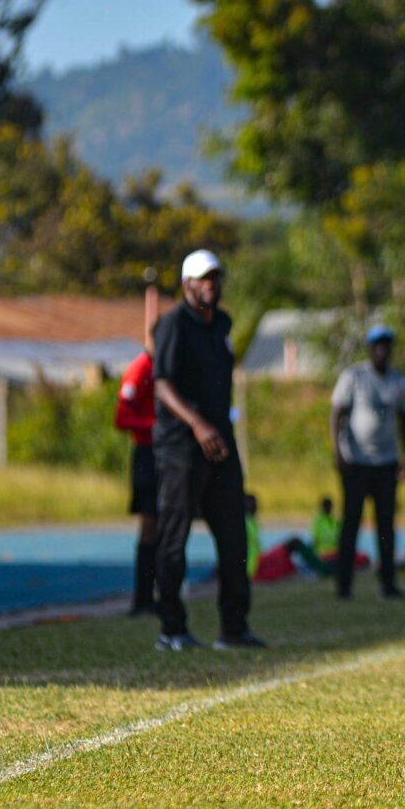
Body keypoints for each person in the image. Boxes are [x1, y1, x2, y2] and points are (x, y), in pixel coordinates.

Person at [151, 249, 267, 651]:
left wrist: (216, 428)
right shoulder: (172, 325)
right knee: (174, 535)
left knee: (234, 535)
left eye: (215, 276)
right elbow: (162, 384)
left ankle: (233, 628)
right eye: (202, 278)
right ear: (186, 284)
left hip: (220, 443)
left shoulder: (222, 324)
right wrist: (197, 424)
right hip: (181, 445)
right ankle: (172, 629)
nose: (210, 284)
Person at [330, 325, 405, 600]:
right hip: (356, 463)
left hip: (386, 463)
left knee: (385, 526)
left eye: (386, 345)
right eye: (377, 345)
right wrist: (338, 451)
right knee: (351, 523)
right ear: (370, 348)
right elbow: (337, 414)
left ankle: (388, 584)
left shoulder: (399, 381)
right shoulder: (355, 376)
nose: (382, 350)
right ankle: (344, 585)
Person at [114, 339, 158, 615]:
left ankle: (156, 596)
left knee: (165, 524)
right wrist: (155, 426)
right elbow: (121, 418)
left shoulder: (164, 367)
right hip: (147, 454)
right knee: (150, 524)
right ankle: (142, 599)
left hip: (166, 454)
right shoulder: (140, 369)